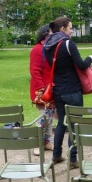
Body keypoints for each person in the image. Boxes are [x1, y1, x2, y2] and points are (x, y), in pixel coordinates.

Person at [43, 17, 92, 168]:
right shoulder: (67, 44)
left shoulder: (48, 45)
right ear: (63, 28)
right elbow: (81, 65)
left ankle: (56, 155)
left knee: (61, 123)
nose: (72, 30)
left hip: (58, 89)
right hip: (72, 90)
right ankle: (73, 159)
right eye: (70, 28)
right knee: (75, 124)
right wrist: (90, 59)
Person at [29, 25, 55, 155]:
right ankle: (38, 143)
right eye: (51, 33)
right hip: (42, 91)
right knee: (44, 118)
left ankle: (47, 142)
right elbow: (35, 71)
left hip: (50, 90)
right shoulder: (37, 49)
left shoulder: (50, 49)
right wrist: (41, 90)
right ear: (45, 35)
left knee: (49, 117)